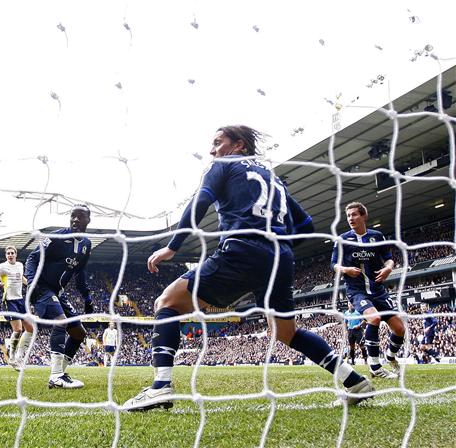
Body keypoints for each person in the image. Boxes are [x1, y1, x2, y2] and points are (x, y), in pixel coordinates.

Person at [124, 125, 373, 411]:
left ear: (239, 145)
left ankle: (161, 386)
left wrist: (173, 246)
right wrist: (276, 240)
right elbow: (306, 226)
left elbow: (200, 201)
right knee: (286, 333)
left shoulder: (223, 164)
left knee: (167, 301)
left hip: (243, 249)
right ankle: (354, 381)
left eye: (218, 142)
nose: (212, 150)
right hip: (281, 258)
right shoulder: (272, 177)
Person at [332, 202, 404, 378]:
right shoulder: (342, 239)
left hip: (378, 289)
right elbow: (334, 264)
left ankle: (391, 356)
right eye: (348, 215)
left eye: (354, 214)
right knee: (374, 318)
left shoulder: (377, 236)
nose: (351, 218)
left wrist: (388, 268)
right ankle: (375, 367)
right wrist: (346, 270)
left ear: (364, 216)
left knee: (400, 329)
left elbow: (388, 258)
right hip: (356, 290)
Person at [24, 204, 93, 389]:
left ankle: (60, 373)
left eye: (80, 216)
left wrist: (86, 297)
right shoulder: (56, 237)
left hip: (58, 292)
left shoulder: (86, 245)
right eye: (73, 216)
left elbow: (80, 273)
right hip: (42, 287)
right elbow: (32, 258)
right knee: (60, 321)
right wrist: (32, 284)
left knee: (79, 334)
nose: (76, 219)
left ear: (88, 220)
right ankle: (56, 376)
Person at [0, 246, 33, 370]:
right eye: (8, 253)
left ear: (16, 254)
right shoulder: (2, 267)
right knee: (18, 330)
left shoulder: (20, 265)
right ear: (6, 255)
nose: (10, 255)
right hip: (9, 300)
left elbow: (21, 278)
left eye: (12, 253)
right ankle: (12, 358)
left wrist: (30, 284)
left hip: (20, 300)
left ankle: (19, 356)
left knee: (30, 329)